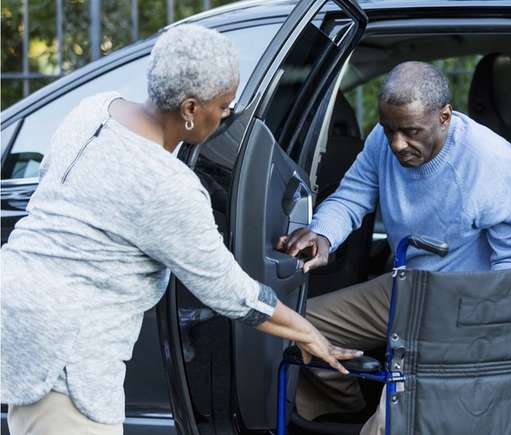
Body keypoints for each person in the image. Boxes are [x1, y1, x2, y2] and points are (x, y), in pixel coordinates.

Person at [0, 24, 360, 435]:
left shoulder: (94, 109)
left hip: (18, 312)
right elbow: (228, 291)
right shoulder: (167, 185)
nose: (228, 114)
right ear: (189, 109)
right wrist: (307, 331)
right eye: (224, 105)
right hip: (65, 351)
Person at [277, 61, 511, 435]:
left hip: (464, 303)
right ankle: (347, 410)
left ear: (445, 117)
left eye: (411, 131)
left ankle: (379, 416)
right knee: (299, 324)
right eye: (389, 129)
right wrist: (322, 235)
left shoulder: (491, 161)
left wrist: (482, 337)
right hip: (405, 285)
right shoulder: (383, 142)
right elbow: (351, 198)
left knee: (390, 423)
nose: (397, 144)